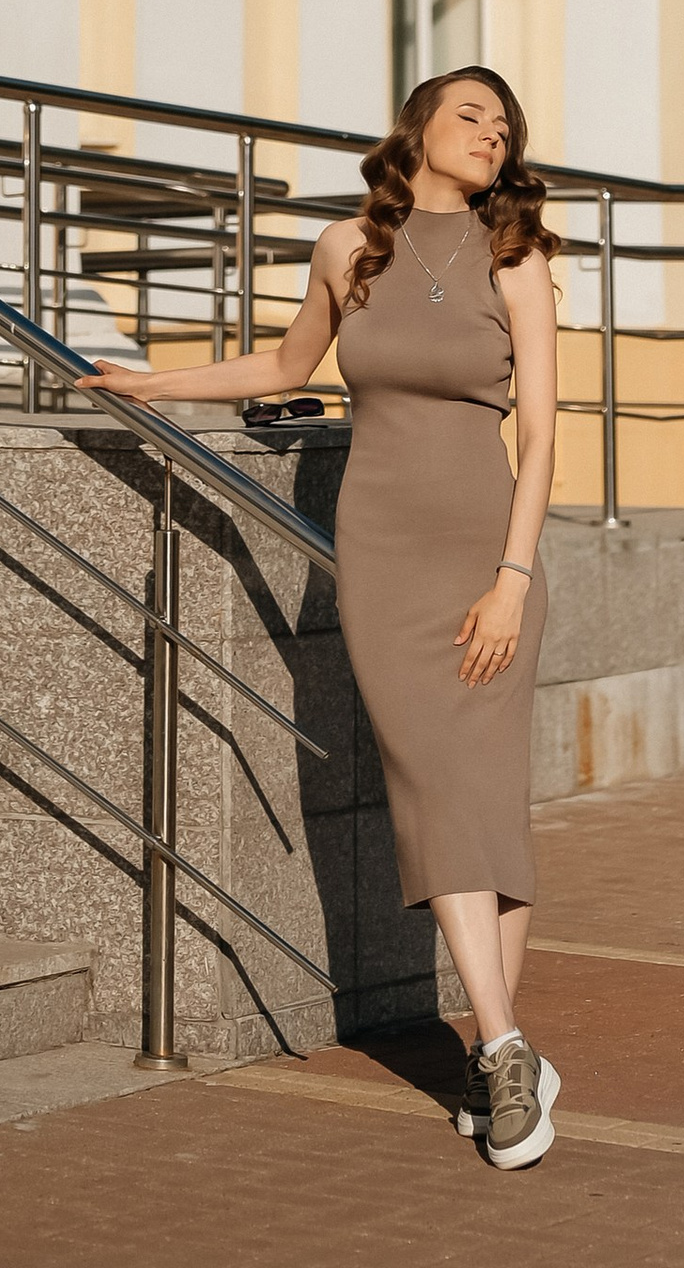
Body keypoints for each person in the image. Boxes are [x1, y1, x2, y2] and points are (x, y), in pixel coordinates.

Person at [83, 65, 562, 1168]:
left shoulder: (516, 257)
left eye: (504, 125)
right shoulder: (348, 248)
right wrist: (154, 385)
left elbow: (540, 432)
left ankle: (499, 1053)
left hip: (488, 555)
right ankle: (504, 1049)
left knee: (486, 799)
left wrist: (512, 577)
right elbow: (287, 363)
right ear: (418, 129)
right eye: (470, 115)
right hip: (383, 557)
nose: (491, 134)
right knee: (430, 787)